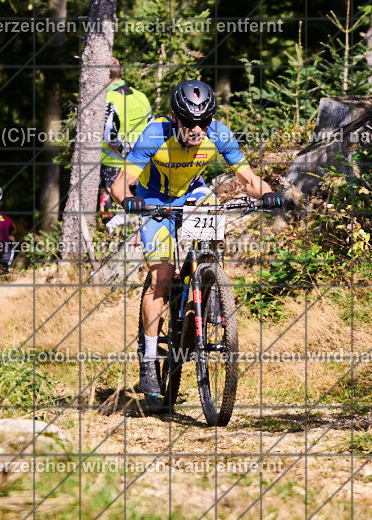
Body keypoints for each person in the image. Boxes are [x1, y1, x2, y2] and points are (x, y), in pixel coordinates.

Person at [109, 80, 283, 400]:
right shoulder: (154, 135)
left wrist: (270, 194)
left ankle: (206, 289)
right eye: (189, 122)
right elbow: (121, 185)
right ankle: (149, 360)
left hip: (192, 194)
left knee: (212, 237)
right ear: (175, 117)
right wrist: (128, 201)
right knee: (160, 276)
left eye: (203, 122)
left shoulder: (219, 134)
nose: (197, 130)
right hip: (154, 200)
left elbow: (249, 180)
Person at [99, 57, 152, 214]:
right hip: (138, 167)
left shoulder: (107, 100)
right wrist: (138, 156)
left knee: (110, 219)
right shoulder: (140, 96)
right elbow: (151, 127)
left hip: (112, 169)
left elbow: (110, 138)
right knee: (137, 214)